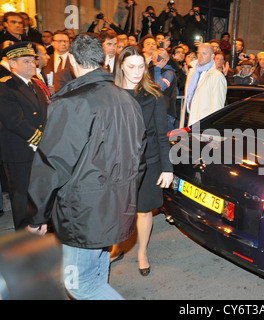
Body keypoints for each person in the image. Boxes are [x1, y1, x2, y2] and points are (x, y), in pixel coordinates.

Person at [26, 33, 146, 300]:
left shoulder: (71, 102)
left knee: (81, 285)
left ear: (71, 60)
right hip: (116, 206)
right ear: (103, 59)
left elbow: (51, 164)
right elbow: (140, 160)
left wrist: (36, 215)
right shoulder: (128, 101)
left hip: (84, 213)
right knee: (96, 274)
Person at [113, 45, 173, 276]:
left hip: (148, 162)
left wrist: (167, 168)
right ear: (121, 66)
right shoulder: (111, 94)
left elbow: (161, 134)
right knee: (118, 209)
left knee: (144, 210)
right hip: (118, 163)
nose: (137, 72)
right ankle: (117, 246)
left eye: (141, 66)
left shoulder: (154, 95)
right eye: (131, 67)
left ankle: (142, 252)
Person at [0, 42, 48, 230]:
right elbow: (14, 121)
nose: (32, 65)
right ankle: (24, 238)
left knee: (38, 193)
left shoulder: (35, 84)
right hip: (20, 150)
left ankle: (39, 231)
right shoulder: (6, 87)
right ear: (12, 64)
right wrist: (40, 139)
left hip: (38, 148)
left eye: (33, 61)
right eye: (26, 61)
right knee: (22, 197)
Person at [183, 43, 227, 127]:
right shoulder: (192, 72)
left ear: (212, 56)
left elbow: (217, 106)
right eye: (198, 53)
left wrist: (212, 127)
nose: (200, 56)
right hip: (189, 118)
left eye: (204, 53)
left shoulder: (217, 76)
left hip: (204, 123)